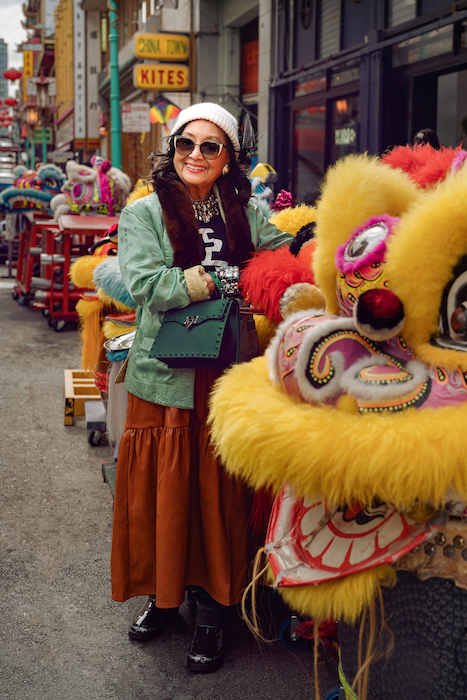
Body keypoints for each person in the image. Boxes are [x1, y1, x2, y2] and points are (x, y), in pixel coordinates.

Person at [111, 102, 293, 672]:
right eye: (186, 143)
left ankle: (214, 612)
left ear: (229, 157)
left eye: (210, 146)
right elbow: (145, 284)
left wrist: (309, 247)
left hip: (227, 370)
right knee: (162, 498)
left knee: (217, 497)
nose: (196, 155)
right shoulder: (143, 213)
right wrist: (220, 275)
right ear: (172, 148)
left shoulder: (244, 208)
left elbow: (277, 256)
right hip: (165, 377)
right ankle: (164, 597)